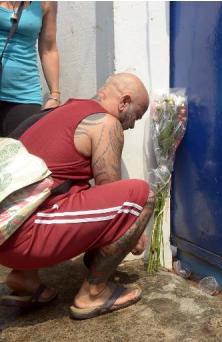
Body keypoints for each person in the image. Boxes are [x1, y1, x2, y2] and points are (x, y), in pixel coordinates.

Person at [0, 73, 155, 320]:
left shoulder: (59, 112)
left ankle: (24, 277)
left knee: (68, 189)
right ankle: (94, 292)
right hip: (25, 239)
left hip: (7, 234)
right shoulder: (106, 122)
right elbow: (112, 194)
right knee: (143, 196)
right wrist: (134, 228)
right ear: (124, 102)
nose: (133, 124)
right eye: (136, 115)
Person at [0, 1, 60, 136]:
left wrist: (55, 95)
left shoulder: (46, 3)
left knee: (18, 153)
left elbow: (48, 49)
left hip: (24, 95)